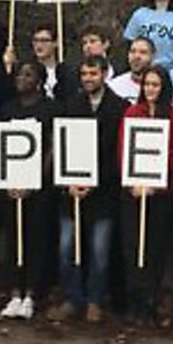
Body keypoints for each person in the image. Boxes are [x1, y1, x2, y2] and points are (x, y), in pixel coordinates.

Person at [55, 55, 125, 324]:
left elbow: (116, 153)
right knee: (66, 248)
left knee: (100, 251)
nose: (87, 79)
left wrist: (95, 181)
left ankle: (95, 300)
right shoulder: (70, 105)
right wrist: (68, 182)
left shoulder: (118, 107)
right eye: (83, 74)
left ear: (105, 74)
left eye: (93, 74)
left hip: (104, 192)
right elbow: (62, 145)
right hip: (71, 191)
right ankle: (73, 298)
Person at [120, 64, 173, 327]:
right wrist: (133, 182)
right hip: (134, 193)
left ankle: (151, 299)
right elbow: (124, 149)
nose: (150, 89)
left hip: (162, 193)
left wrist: (157, 182)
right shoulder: (132, 112)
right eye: (147, 84)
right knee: (133, 247)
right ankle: (134, 300)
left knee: (156, 248)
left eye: (155, 85)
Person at [0, 60, 55, 321]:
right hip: (11, 186)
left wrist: (34, 180)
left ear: (40, 81)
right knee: (13, 239)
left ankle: (32, 294)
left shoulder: (51, 109)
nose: (22, 78)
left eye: (28, 74)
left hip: (38, 189)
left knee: (36, 240)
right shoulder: (7, 108)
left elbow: (52, 148)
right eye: (19, 73)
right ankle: (13, 293)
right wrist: (9, 181)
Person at [108, 36, 152, 102]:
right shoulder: (113, 87)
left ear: (152, 56)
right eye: (133, 51)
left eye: (143, 52)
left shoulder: (160, 87)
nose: (136, 56)